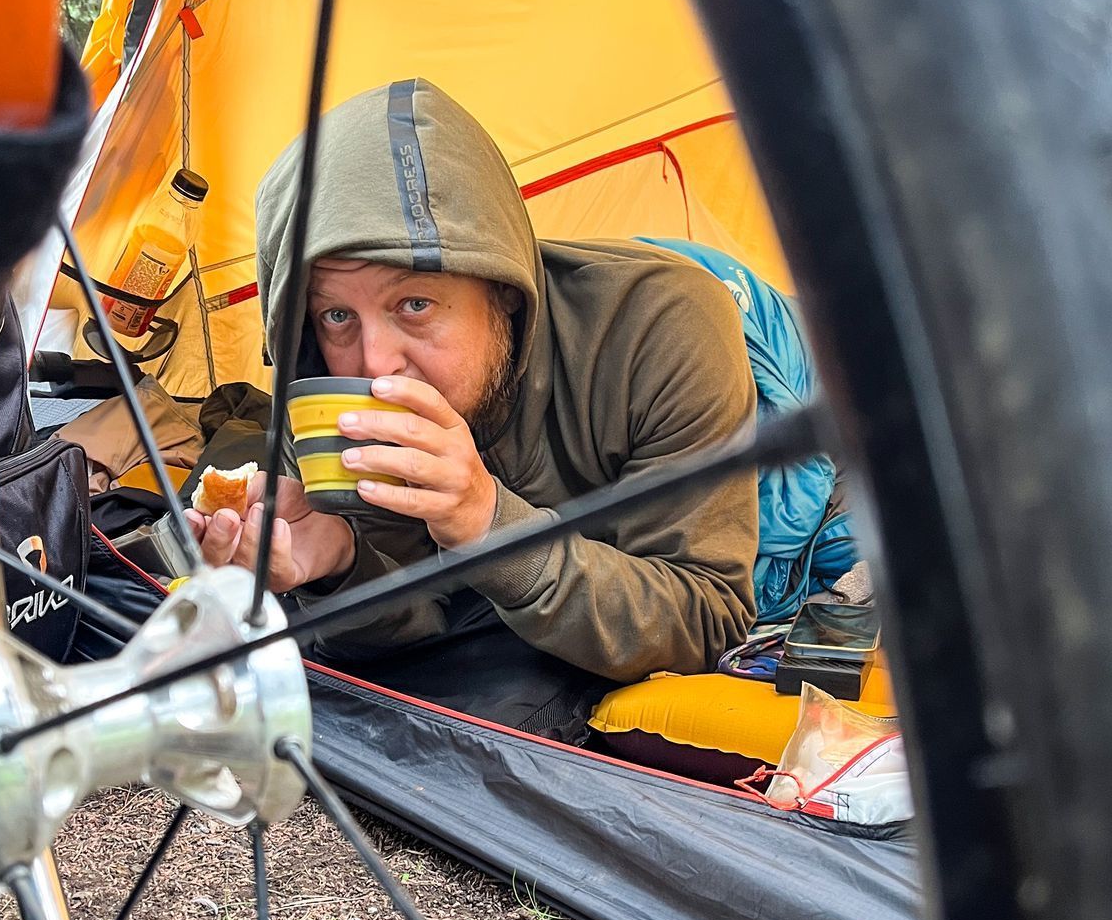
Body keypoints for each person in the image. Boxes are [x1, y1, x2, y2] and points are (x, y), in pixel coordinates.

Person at [187, 78, 759, 686]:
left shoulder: (661, 327)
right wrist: (337, 566)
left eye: (414, 305)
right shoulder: (327, 388)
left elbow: (706, 621)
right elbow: (420, 625)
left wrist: (488, 522)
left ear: (502, 292)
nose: (376, 363)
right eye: (337, 315)